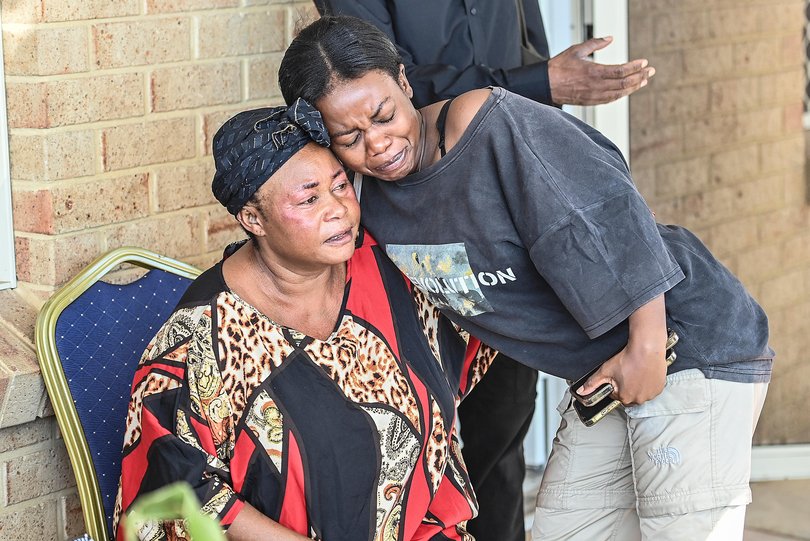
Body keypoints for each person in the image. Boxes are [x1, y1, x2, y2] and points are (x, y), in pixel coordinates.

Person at [278, 16, 774, 540]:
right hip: (603, 372)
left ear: (405, 83)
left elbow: (612, 208)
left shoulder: (488, 126)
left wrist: (646, 344)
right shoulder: (367, 197)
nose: (377, 144)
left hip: (683, 342)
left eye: (384, 116)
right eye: (350, 136)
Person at [307, 4, 656, 538]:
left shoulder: (501, 129)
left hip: (500, 230)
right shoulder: (382, 128)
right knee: (417, 433)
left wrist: (538, 83)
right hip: (411, 220)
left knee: (503, 431)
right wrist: (539, 81)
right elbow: (367, 79)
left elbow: (523, 39)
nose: (369, 137)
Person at [112, 99, 499, 540]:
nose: (337, 209)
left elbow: (491, 305)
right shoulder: (202, 338)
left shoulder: (387, 268)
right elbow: (177, 489)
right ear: (253, 219)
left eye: (340, 186)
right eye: (309, 198)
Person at [312, 0, 655, 108]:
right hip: (428, 167)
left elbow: (528, 37)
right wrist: (541, 83)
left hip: (518, 143)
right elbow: (389, 83)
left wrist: (549, 91)